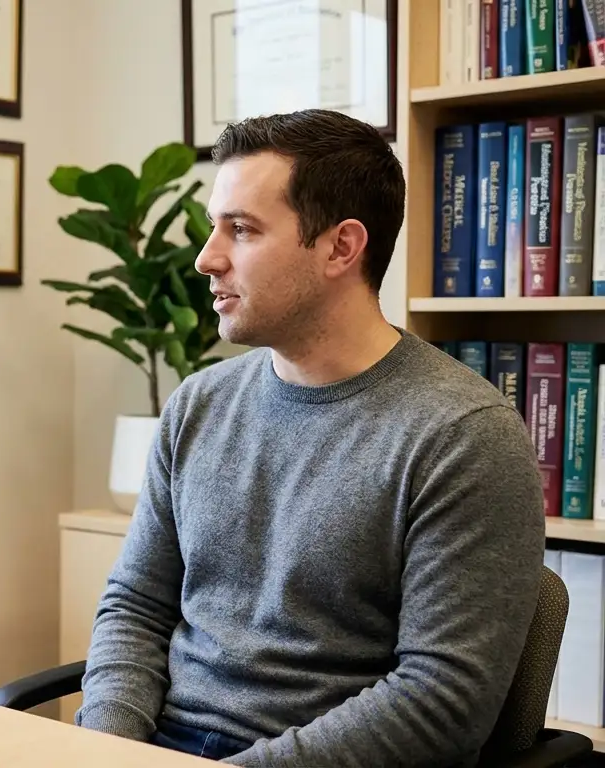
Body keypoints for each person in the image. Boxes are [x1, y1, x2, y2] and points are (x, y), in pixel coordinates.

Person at [75, 108, 544, 766]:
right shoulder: (198, 405)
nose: (207, 259)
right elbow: (136, 606)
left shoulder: (463, 437)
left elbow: (442, 703)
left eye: (241, 230)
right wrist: (107, 751)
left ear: (340, 248)